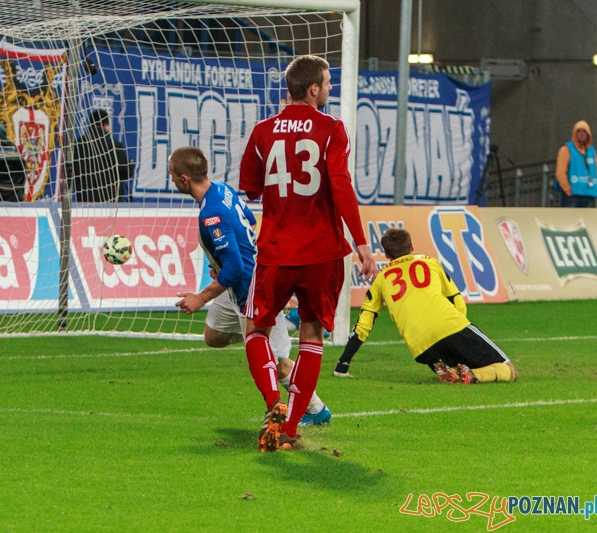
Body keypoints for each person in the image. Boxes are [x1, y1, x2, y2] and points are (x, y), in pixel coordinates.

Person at [239, 55, 377, 452]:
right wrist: (362, 244)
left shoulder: (263, 131)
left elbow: (249, 187)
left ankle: (272, 402)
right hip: (323, 251)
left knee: (256, 330)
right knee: (312, 335)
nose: (330, 89)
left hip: (276, 250)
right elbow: (340, 183)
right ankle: (293, 428)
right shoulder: (332, 129)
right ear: (313, 88)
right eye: (328, 83)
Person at [169, 147, 331, 427]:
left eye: (172, 176)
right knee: (213, 336)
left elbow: (235, 268)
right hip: (234, 287)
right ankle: (286, 322)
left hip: (252, 288)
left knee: (278, 361)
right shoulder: (223, 190)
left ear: (184, 178)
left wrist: (200, 298)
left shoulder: (211, 213)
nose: (171, 181)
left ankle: (316, 410)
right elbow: (250, 221)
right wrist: (223, 259)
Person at [334, 228, 518, 385]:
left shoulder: (380, 280)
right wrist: (458, 329)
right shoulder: (431, 263)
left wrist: (343, 364)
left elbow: (363, 325)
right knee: (509, 370)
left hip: (421, 346)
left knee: (455, 367)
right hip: (452, 327)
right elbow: (457, 302)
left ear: (387, 255)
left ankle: (456, 372)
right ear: (412, 247)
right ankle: (475, 375)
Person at [72, 109, 132, 202]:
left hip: (84, 203)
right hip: (109, 202)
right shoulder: (113, 145)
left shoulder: (77, 145)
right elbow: (126, 171)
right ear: (106, 125)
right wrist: (131, 164)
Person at [555, 120, 597, 208]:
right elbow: (560, 172)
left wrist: (595, 189)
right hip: (572, 195)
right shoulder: (566, 149)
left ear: (588, 134)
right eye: (579, 131)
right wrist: (568, 190)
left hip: (588, 193)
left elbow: (596, 171)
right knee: (569, 220)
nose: (582, 134)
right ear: (574, 133)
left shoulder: (592, 151)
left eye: (584, 131)